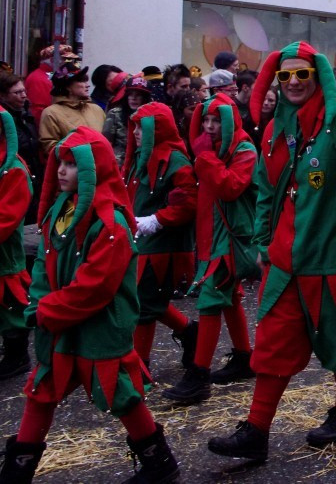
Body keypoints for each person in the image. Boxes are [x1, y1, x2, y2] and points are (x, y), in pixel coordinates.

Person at [207, 41, 336, 461]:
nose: (292, 83)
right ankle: (256, 431)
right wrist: (261, 240)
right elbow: (265, 191)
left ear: (318, 77)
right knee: (272, 344)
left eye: (302, 75)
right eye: (285, 75)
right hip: (286, 261)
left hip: (334, 259)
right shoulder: (276, 130)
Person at [1, 127, 180, 482]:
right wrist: (39, 301)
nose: (63, 170)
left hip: (99, 325)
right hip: (60, 322)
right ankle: (17, 470)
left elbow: (96, 286)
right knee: (42, 389)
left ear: (94, 168)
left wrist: (48, 310)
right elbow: (42, 265)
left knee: (119, 392)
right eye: (61, 163)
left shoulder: (111, 223)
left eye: (72, 163)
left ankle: (160, 464)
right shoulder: (59, 211)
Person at [162, 94, 257, 404]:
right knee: (229, 298)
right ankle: (244, 358)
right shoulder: (213, 149)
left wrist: (205, 160)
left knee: (210, 299)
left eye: (216, 121)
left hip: (229, 240)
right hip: (212, 237)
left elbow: (230, 188)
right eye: (205, 121)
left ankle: (199, 375)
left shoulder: (243, 149)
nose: (210, 126)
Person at [122, 102, 198, 373]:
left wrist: (157, 220)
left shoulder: (175, 160)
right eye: (135, 128)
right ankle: (190, 332)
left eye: (142, 128)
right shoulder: (141, 156)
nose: (136, 134)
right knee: (147, 300)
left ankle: (139, 367)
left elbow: (188, 202)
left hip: (164, 244)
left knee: (144, 304)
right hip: (141, 240)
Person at [0, 106, 32, 380]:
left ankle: (17, 355)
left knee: (10, 304)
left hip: (4, 253)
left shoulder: (13, 168)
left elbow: (7, 217)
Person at [0, 73, 43, 223]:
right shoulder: (3, 119)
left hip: (31, 179)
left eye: (24, 91)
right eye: (17, 92)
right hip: (12, 177)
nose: (24, 95)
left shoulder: (25, 115)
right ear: (3, 96)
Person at [38, 63, 105, 155]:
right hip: (71, 167)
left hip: (101, 167)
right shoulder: (51, 113)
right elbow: (50, 146)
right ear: (68, 86)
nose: (87, 85)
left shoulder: (96, 109)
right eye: (81, 81)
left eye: (86, 81)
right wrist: (76, 159)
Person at [103, 75, 152, 167]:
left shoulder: (152, 115)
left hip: (144, 163)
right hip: (120, 164)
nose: (133, 98)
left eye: (138, 95)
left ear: (145, 98)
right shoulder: (115, 114)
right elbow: (106, 144)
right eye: (130, 94)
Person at [25, 45, 75, 124]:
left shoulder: (57, 75)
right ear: (52, 60)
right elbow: (38, 111)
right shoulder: (38, 79)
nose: (69, 62)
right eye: (65, 59)